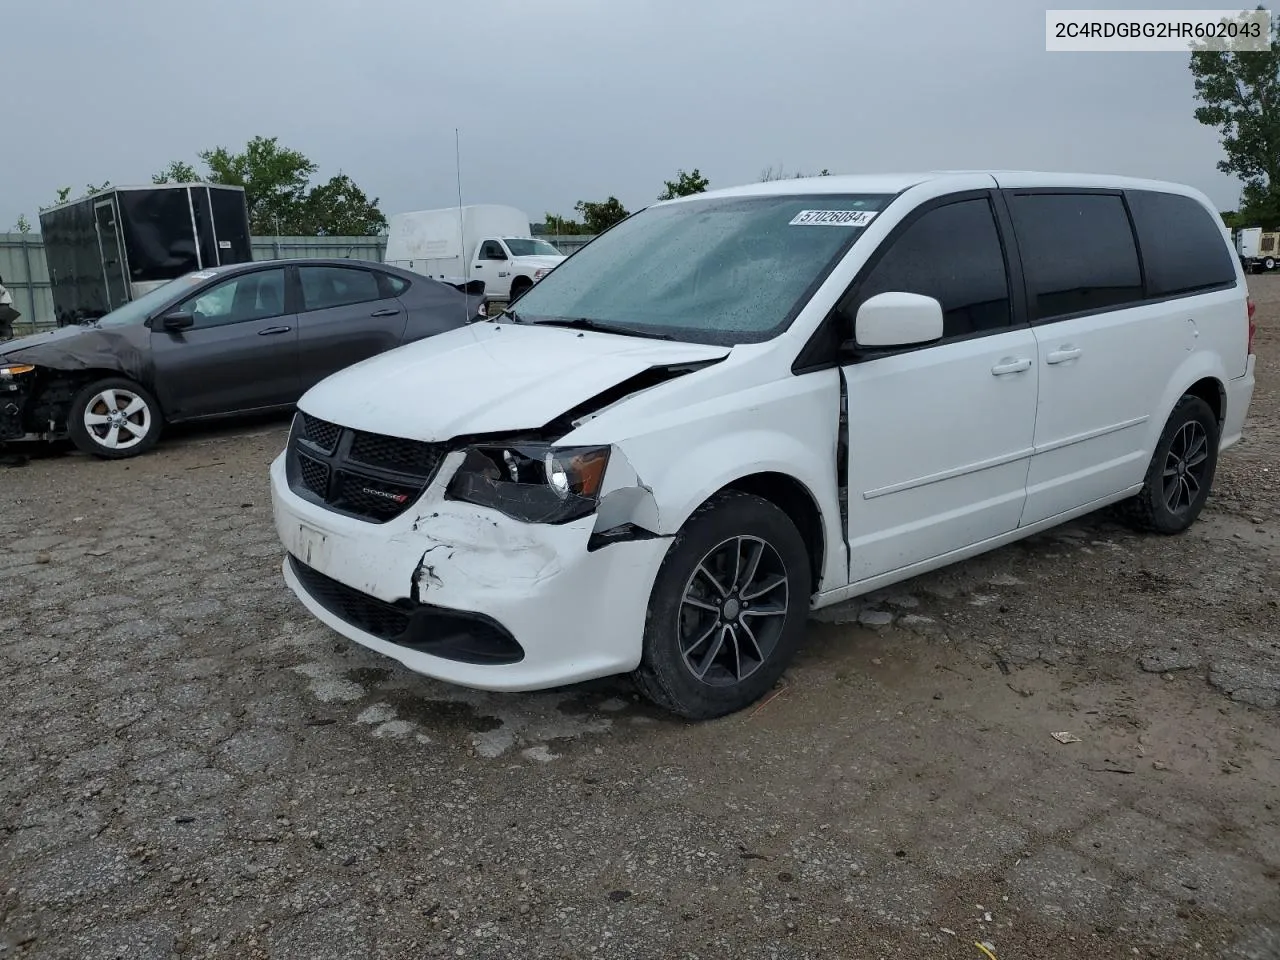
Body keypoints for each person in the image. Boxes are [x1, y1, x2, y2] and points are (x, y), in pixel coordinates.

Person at [0, 273, 20, 340]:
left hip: (3, 305)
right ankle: (8, 335)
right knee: (4, 322)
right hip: (4, 305)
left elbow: (2, 292)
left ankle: (7, 335)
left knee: (3, 321)